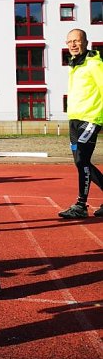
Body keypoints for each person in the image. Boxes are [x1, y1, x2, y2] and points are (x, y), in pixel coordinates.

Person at [58, 29, 103, 219]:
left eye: (76, 41)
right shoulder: (75, 64)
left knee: (81, 160)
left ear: (85, 42)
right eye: (69, 42)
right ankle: (82, 205)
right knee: (80, 162)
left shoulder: (94, 63)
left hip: (90, 118)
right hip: (75, 120)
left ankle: (80, 205)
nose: (73, 45)